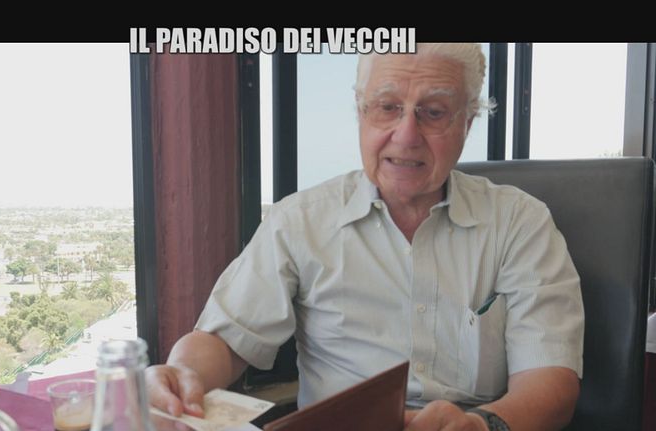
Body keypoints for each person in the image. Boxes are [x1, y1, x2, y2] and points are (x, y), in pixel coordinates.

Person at [146, 43, 584, 431]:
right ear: (361, 113)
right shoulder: (299, 221)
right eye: (387, 107)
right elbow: (224, 341)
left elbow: (551, 382)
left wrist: (480, 425)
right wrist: (182, 375)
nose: (406, 136)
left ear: (467, 123)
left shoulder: (520, 223)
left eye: (433, 112)